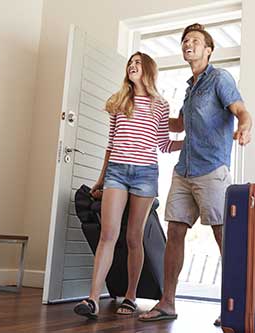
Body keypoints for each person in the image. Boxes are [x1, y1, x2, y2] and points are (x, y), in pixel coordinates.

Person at [138, 23, 252, 325]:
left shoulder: (219, 79)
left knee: (222, 235)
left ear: (208, 49)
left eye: (195, 41)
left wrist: (244, 126)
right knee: (174, 232)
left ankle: (234, 304)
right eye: (185, 41)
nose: (188, 44)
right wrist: (150, 107)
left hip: (212, 169)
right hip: (183, 170)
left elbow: (241, 110)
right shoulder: (189, 89)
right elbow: (178, 125)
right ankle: (167, 303)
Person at [73, 52, 183, 319]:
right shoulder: (119, 102)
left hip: (145, 174)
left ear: (147, 70)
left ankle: (131, 296)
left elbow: (164, 144)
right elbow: (110, 145)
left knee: (134, 237)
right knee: (108, 234)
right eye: (130, 63)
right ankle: (92, 300)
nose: (132, 66)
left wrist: (192, 143)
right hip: (117, 173)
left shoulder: (160, 105)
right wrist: (100, 180)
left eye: (138, 63)